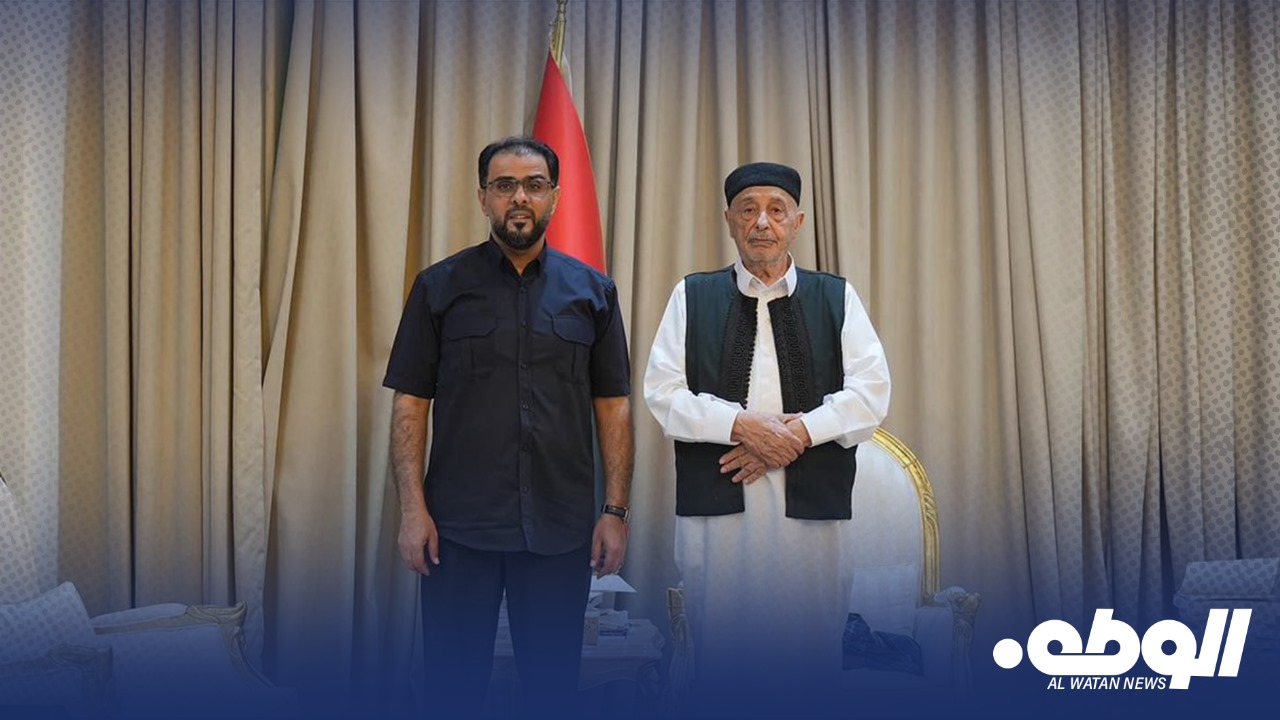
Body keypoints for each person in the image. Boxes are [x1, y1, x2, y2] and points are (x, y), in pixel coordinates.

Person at [384, 136, 634, 715]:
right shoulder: (439, 287)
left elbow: (613, 406)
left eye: (534, 185)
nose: (519, 198)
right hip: (457, 533)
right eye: (504, 186)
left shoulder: (594, 293)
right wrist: (412, 510)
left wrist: (615, 511)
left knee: (552, 693)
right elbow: (410, 404)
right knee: (452, 694)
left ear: (554, 197)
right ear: (483, 198)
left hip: (559, 531)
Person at [643, 162, 891, 704]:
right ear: (729, 220)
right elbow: (662, 393)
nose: (762, 222)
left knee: (810, 664)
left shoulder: (835, 296)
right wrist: (741, 426)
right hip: (719, 515)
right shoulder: (692, 295)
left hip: (812, 523)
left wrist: (795, 436)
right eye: (748, 210)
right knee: (722, 666)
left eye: (776, 210)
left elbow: (872, 394)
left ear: (796, 222)